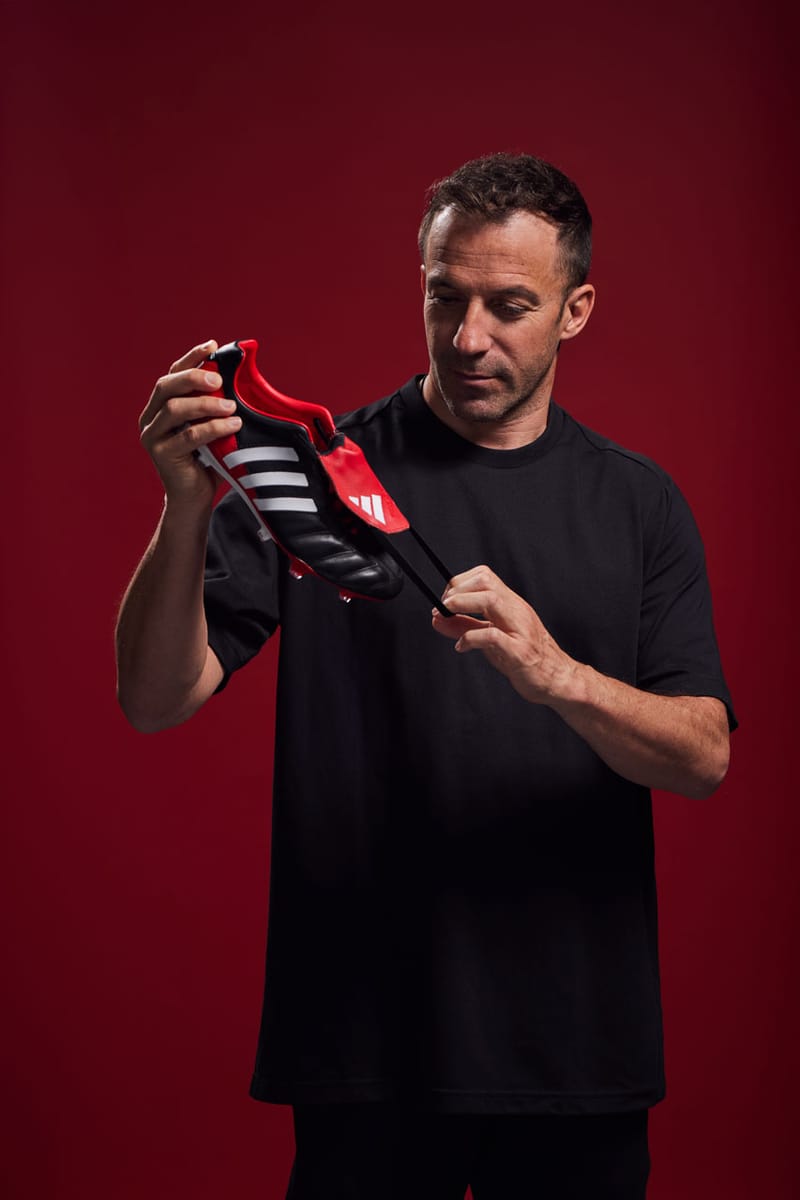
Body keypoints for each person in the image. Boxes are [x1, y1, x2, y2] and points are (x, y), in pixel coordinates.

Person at [116, 153, 736, 1199]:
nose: (467, 337)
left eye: (509, 306)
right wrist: (185, 508)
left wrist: (558, 677)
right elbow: (153, 697)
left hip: (574, 1048)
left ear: (575, 310)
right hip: (364, 1045)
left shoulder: (640, 506)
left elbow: (702, 758)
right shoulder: (318, 480)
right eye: (445, 297)